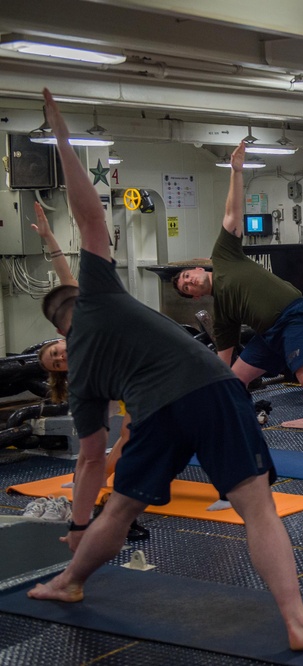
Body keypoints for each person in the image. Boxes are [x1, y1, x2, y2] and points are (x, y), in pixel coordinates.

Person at [28, 89, 303, 650]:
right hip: (207, 391)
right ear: (78, 300)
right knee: (257, 508)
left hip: (156, 413)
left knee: (122, 507)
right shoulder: (100, 293)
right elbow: (90, 212)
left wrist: (78, 525)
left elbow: (91, 457)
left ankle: (70, 581)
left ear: (60, 334)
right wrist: (60, 134)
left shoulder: (80, 370)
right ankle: (297, 622)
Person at [172, 141, 303, 474]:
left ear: (199, 269)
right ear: (195, 296)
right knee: (232, 383)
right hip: (268, 335)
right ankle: (240, 443)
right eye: (185, 288)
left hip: (294, 316)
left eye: (187, 276)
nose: (188, 283)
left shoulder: (224, 255)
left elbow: (232, 214)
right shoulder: (224, 314)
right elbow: (224, 359)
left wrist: (237, 170)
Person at [32, 204, 147, 538]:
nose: (59, 356)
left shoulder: (79, 323)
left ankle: (97, 484)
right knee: (125, 438)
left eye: (55, 351)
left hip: (142, 367)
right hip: (130, 386)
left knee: (130, 439)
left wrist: (49, 237)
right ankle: (98, 487)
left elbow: (66, 277)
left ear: (58, 340)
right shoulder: (83, 377)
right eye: (56, 363)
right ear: (61, 371)